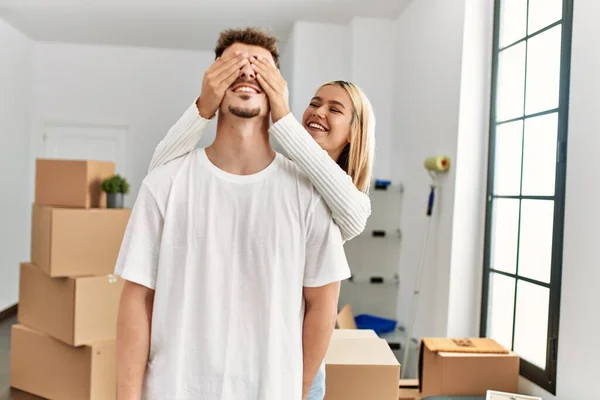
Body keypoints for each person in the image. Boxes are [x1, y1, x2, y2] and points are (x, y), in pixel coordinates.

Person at [114, 27, 351, 400]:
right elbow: (136, 298)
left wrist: (298, 391)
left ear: (278, 86)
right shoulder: (163, 184)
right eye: (233, 66)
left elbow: (322, 304)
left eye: (260, 68)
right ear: (212, 82)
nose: (246, 74)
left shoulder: (310, 195)